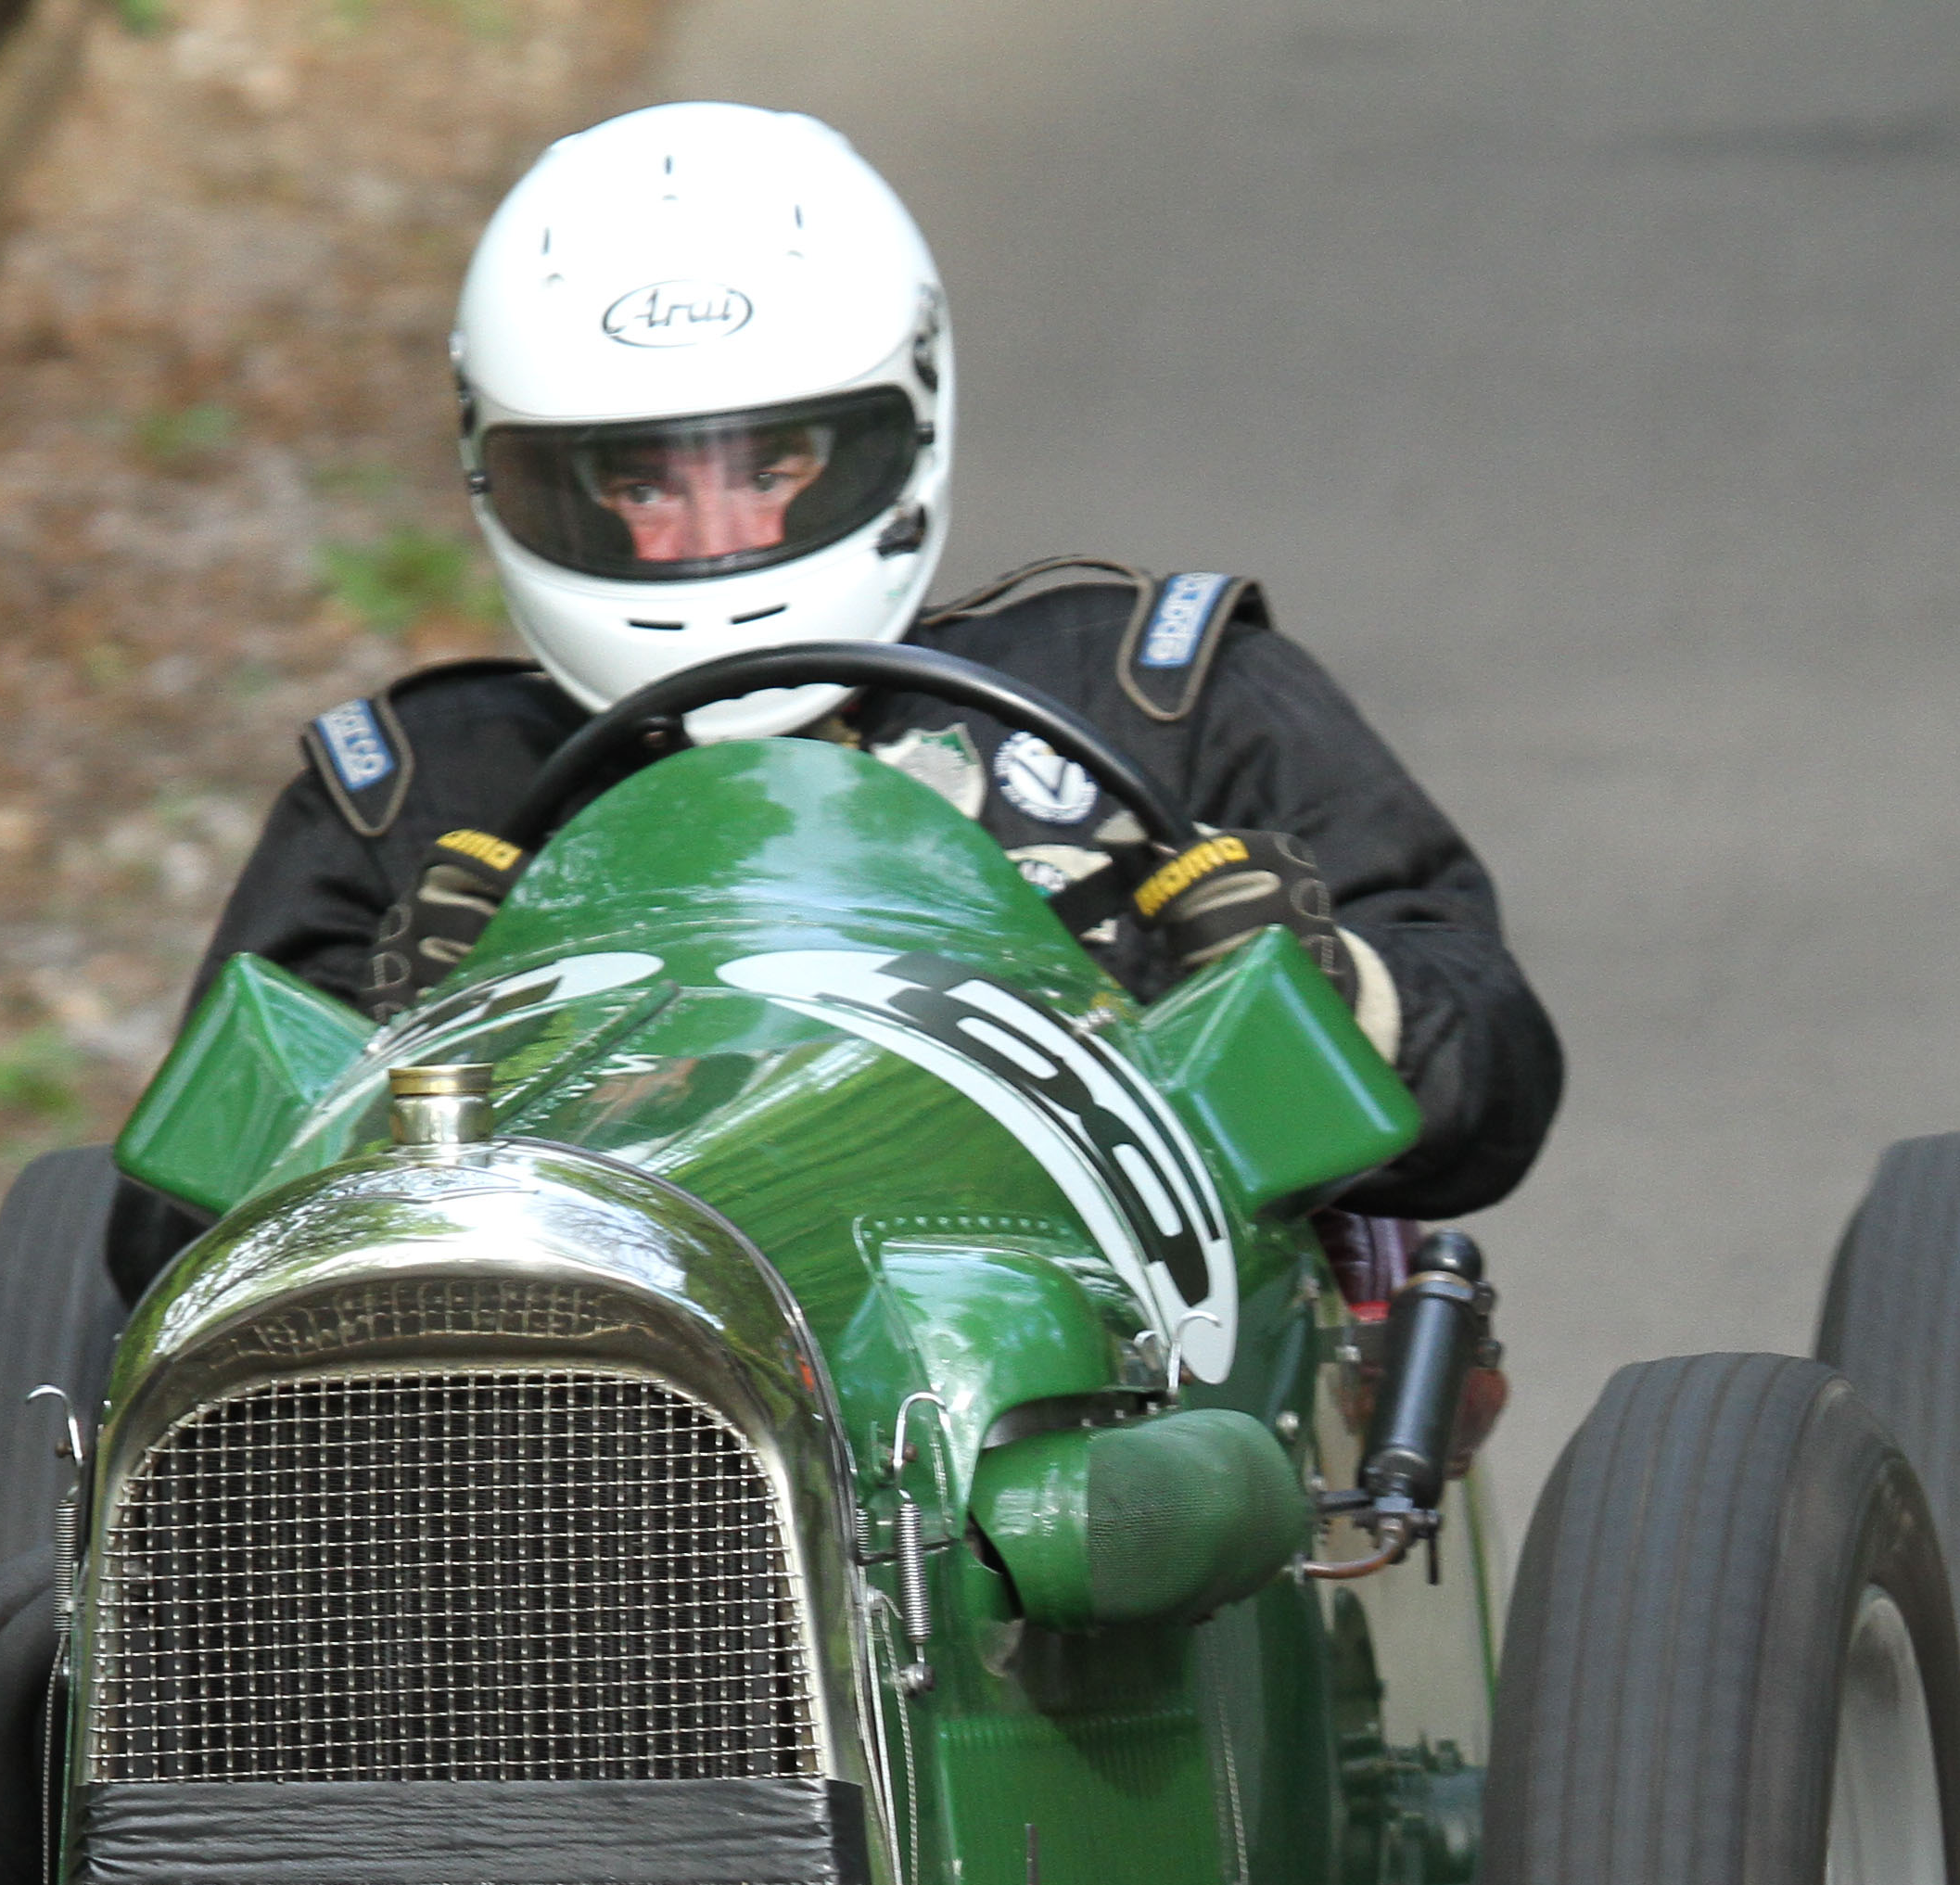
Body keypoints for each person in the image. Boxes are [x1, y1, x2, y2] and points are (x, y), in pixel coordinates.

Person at [176, 100, 1560, 1223]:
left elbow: (1496, 1072)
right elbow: (162, 1249)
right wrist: (381, 1061)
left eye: (770, 466)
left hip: (1089, 1421)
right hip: (562, 1443)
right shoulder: (411, 800)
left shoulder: (1158, 699)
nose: (713, 532)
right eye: (636, 488)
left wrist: (1332, 995)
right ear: (510, 475)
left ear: (894, 432)